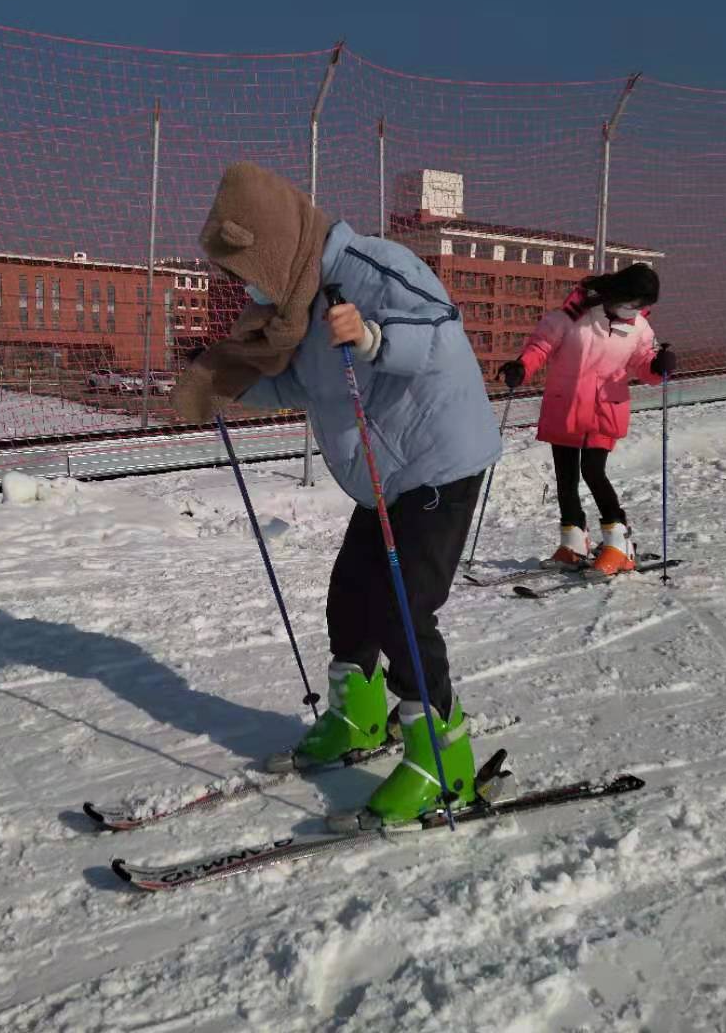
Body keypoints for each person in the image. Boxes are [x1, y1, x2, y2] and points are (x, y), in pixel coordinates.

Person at [171, 162, 502, 826]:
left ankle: (444, 760)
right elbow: (303, 388)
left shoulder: (371, 266)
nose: (246, 290)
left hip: (438, 463)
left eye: (245, 273)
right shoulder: (296, 305)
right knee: (352, 596)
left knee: (403, 611)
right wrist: (225, 388)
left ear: (270, 243)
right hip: (386, 476)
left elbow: (439, 329)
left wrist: (374, 336)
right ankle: (358, 719)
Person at [497, 264, 672, 576]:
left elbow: (644, 363)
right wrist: (521, 368)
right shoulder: (572, 316)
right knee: (566, 479)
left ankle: (620, 543)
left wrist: (660, 366)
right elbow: (541, 346)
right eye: (631, 303)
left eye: (641, 307)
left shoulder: (639, 328)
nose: (633, 311)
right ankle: (574, 542)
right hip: (566, 408)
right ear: (617, 294)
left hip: (605, 409)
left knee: (593, 471)